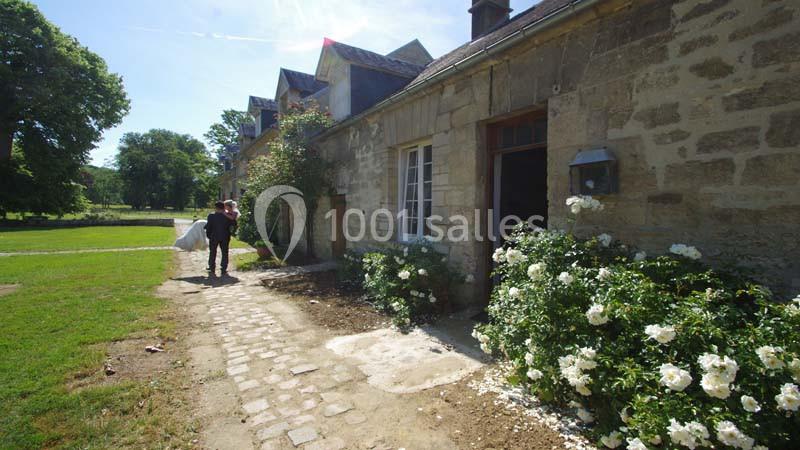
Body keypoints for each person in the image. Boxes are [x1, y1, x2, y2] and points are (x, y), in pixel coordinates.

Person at [205, 201, 234, 275]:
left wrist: (208, 235)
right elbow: (233, 224)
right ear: (223, 208)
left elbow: (208, 227)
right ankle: (224, 267)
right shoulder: (228, 216)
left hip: (214, 236)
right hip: (225, 236)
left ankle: (212, 266)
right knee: (225, 252)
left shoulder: (211, 216)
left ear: (216, 208)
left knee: (212, 252)